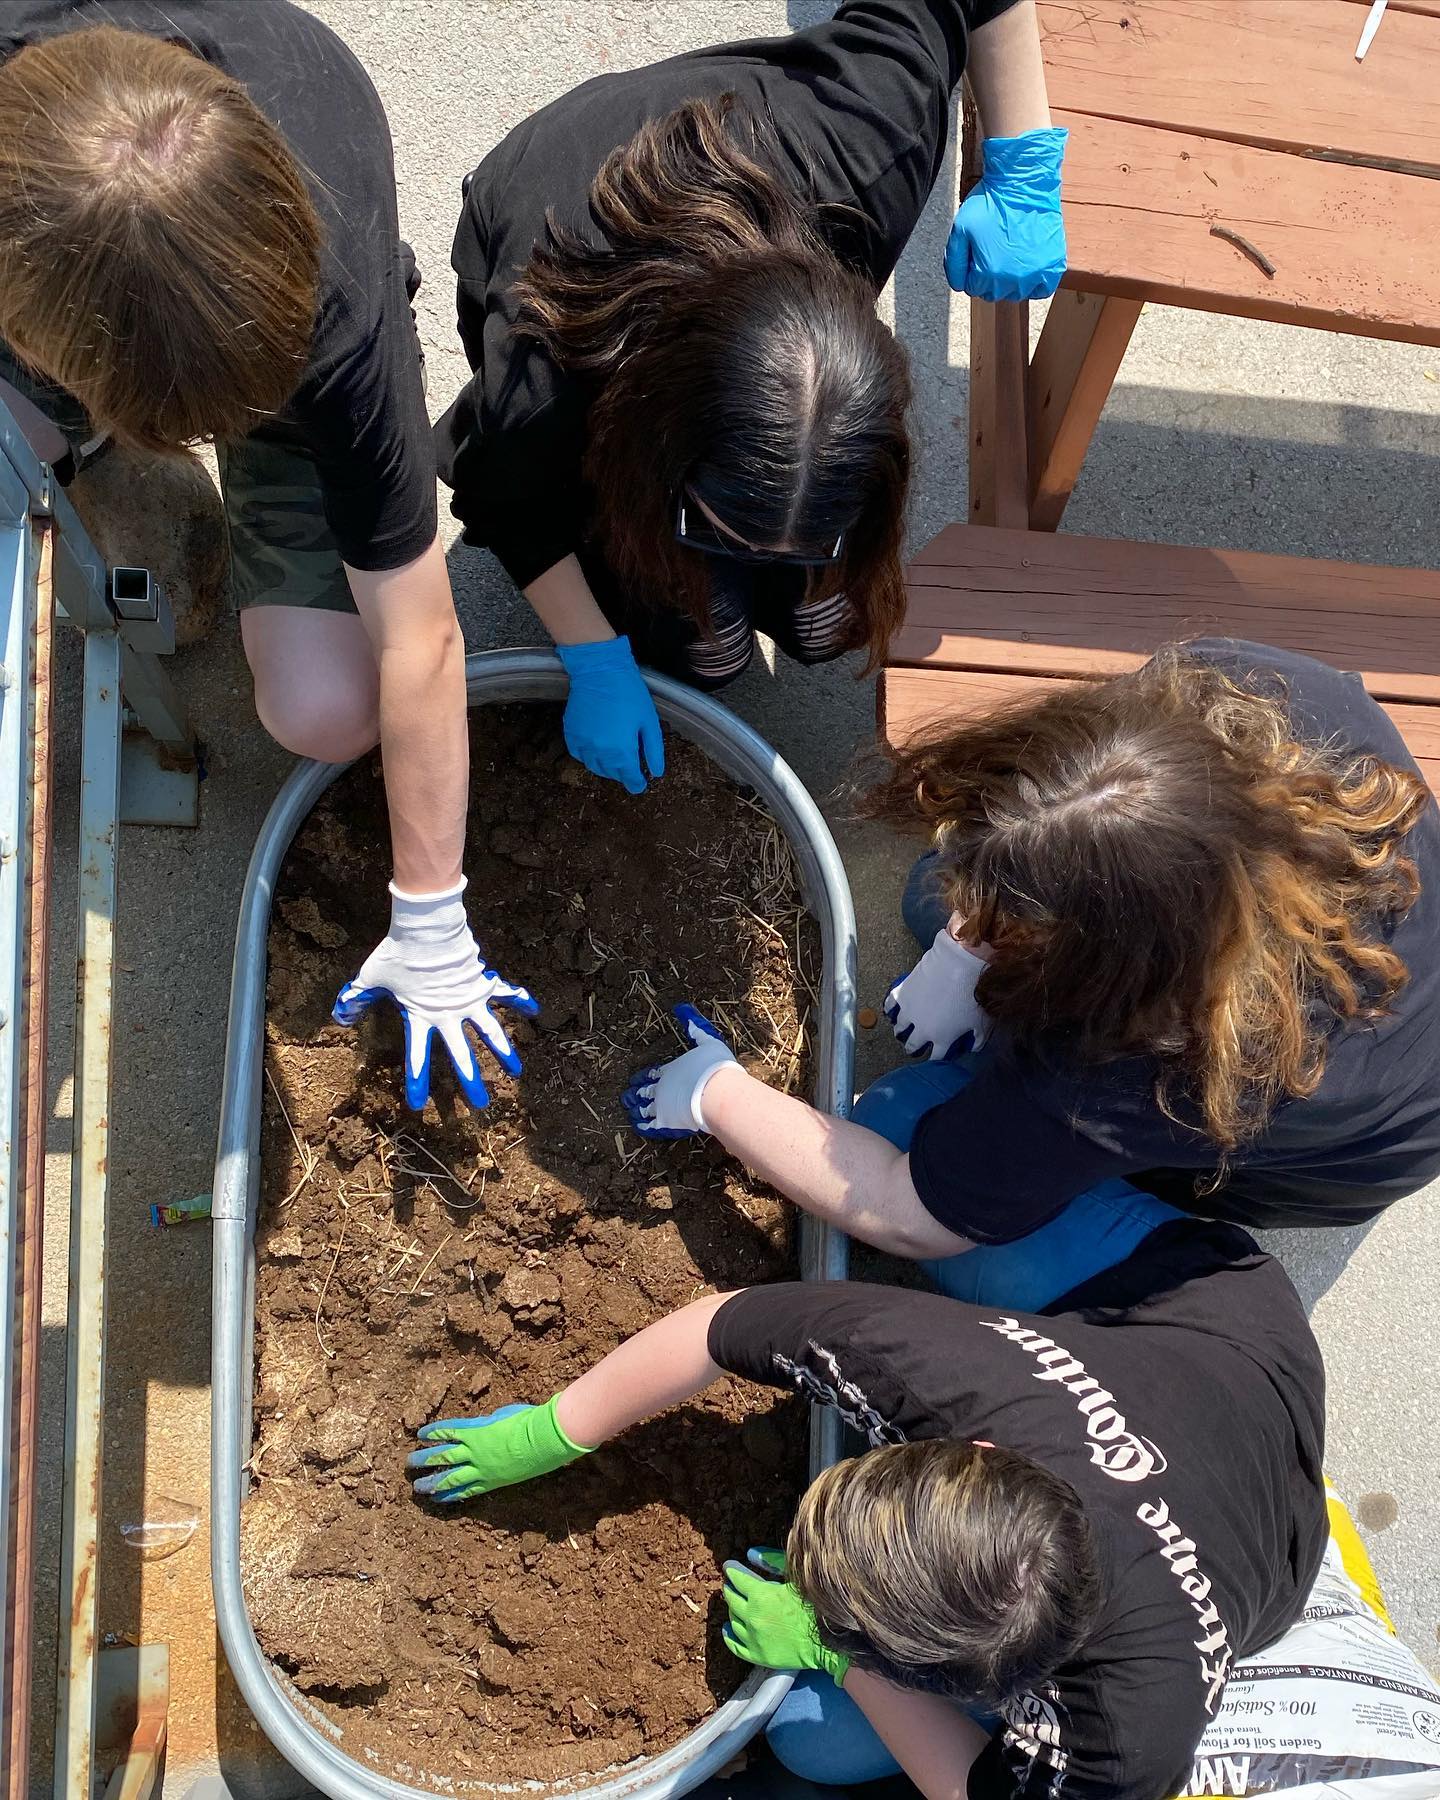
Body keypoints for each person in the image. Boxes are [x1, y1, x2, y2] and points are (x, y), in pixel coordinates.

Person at [0, 3, 535, 1110]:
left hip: (264, 339)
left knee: (326, 711)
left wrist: (432, 910)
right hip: (59, 288)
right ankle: (67, 417)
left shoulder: (330, 313)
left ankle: (205, 439)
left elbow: (423, 632)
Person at [623, 641, 1440, 1305]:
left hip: (1347, 1154)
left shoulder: (1146, 1078)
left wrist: (720, 1096)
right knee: (923, 899)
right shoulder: (1270, 695)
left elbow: (913, 1216)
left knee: (902, 1124)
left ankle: (1161, 1231)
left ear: (1108, 974)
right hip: (1384, 993)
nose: (974, 919)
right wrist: (962, 948)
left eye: (1010, 925)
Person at [404, 1217, 1328, 1800]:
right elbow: (726, 1324)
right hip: (1204, 1314)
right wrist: (557, 1431)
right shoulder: (951, 1373)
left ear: (991, 1688)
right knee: (904, 1134)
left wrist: (835, 1662)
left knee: (810, 1746)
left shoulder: (1127, 1741)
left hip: (1272, 1535)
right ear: (974, 1456)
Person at [437, 0, 1067, 795]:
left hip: (752, 164)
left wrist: (1026, 163)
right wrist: (593, 656)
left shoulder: (871, 145)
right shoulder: (547, 371)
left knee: (818, 626)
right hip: (548, 223)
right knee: (700, 650)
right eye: (719, 525)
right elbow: (502, 496)